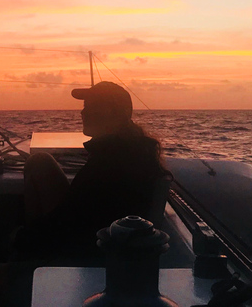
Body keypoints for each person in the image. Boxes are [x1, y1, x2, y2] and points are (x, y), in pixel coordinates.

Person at [18, 81, 170, 263]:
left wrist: (21, 239)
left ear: (113, 112)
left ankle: (27, 265)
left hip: (81, 261)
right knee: (40, 161)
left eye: (91, 106)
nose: (83, 112)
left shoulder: (109, 164)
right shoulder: (129, 152)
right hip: (94, 248)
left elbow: (68, 224)